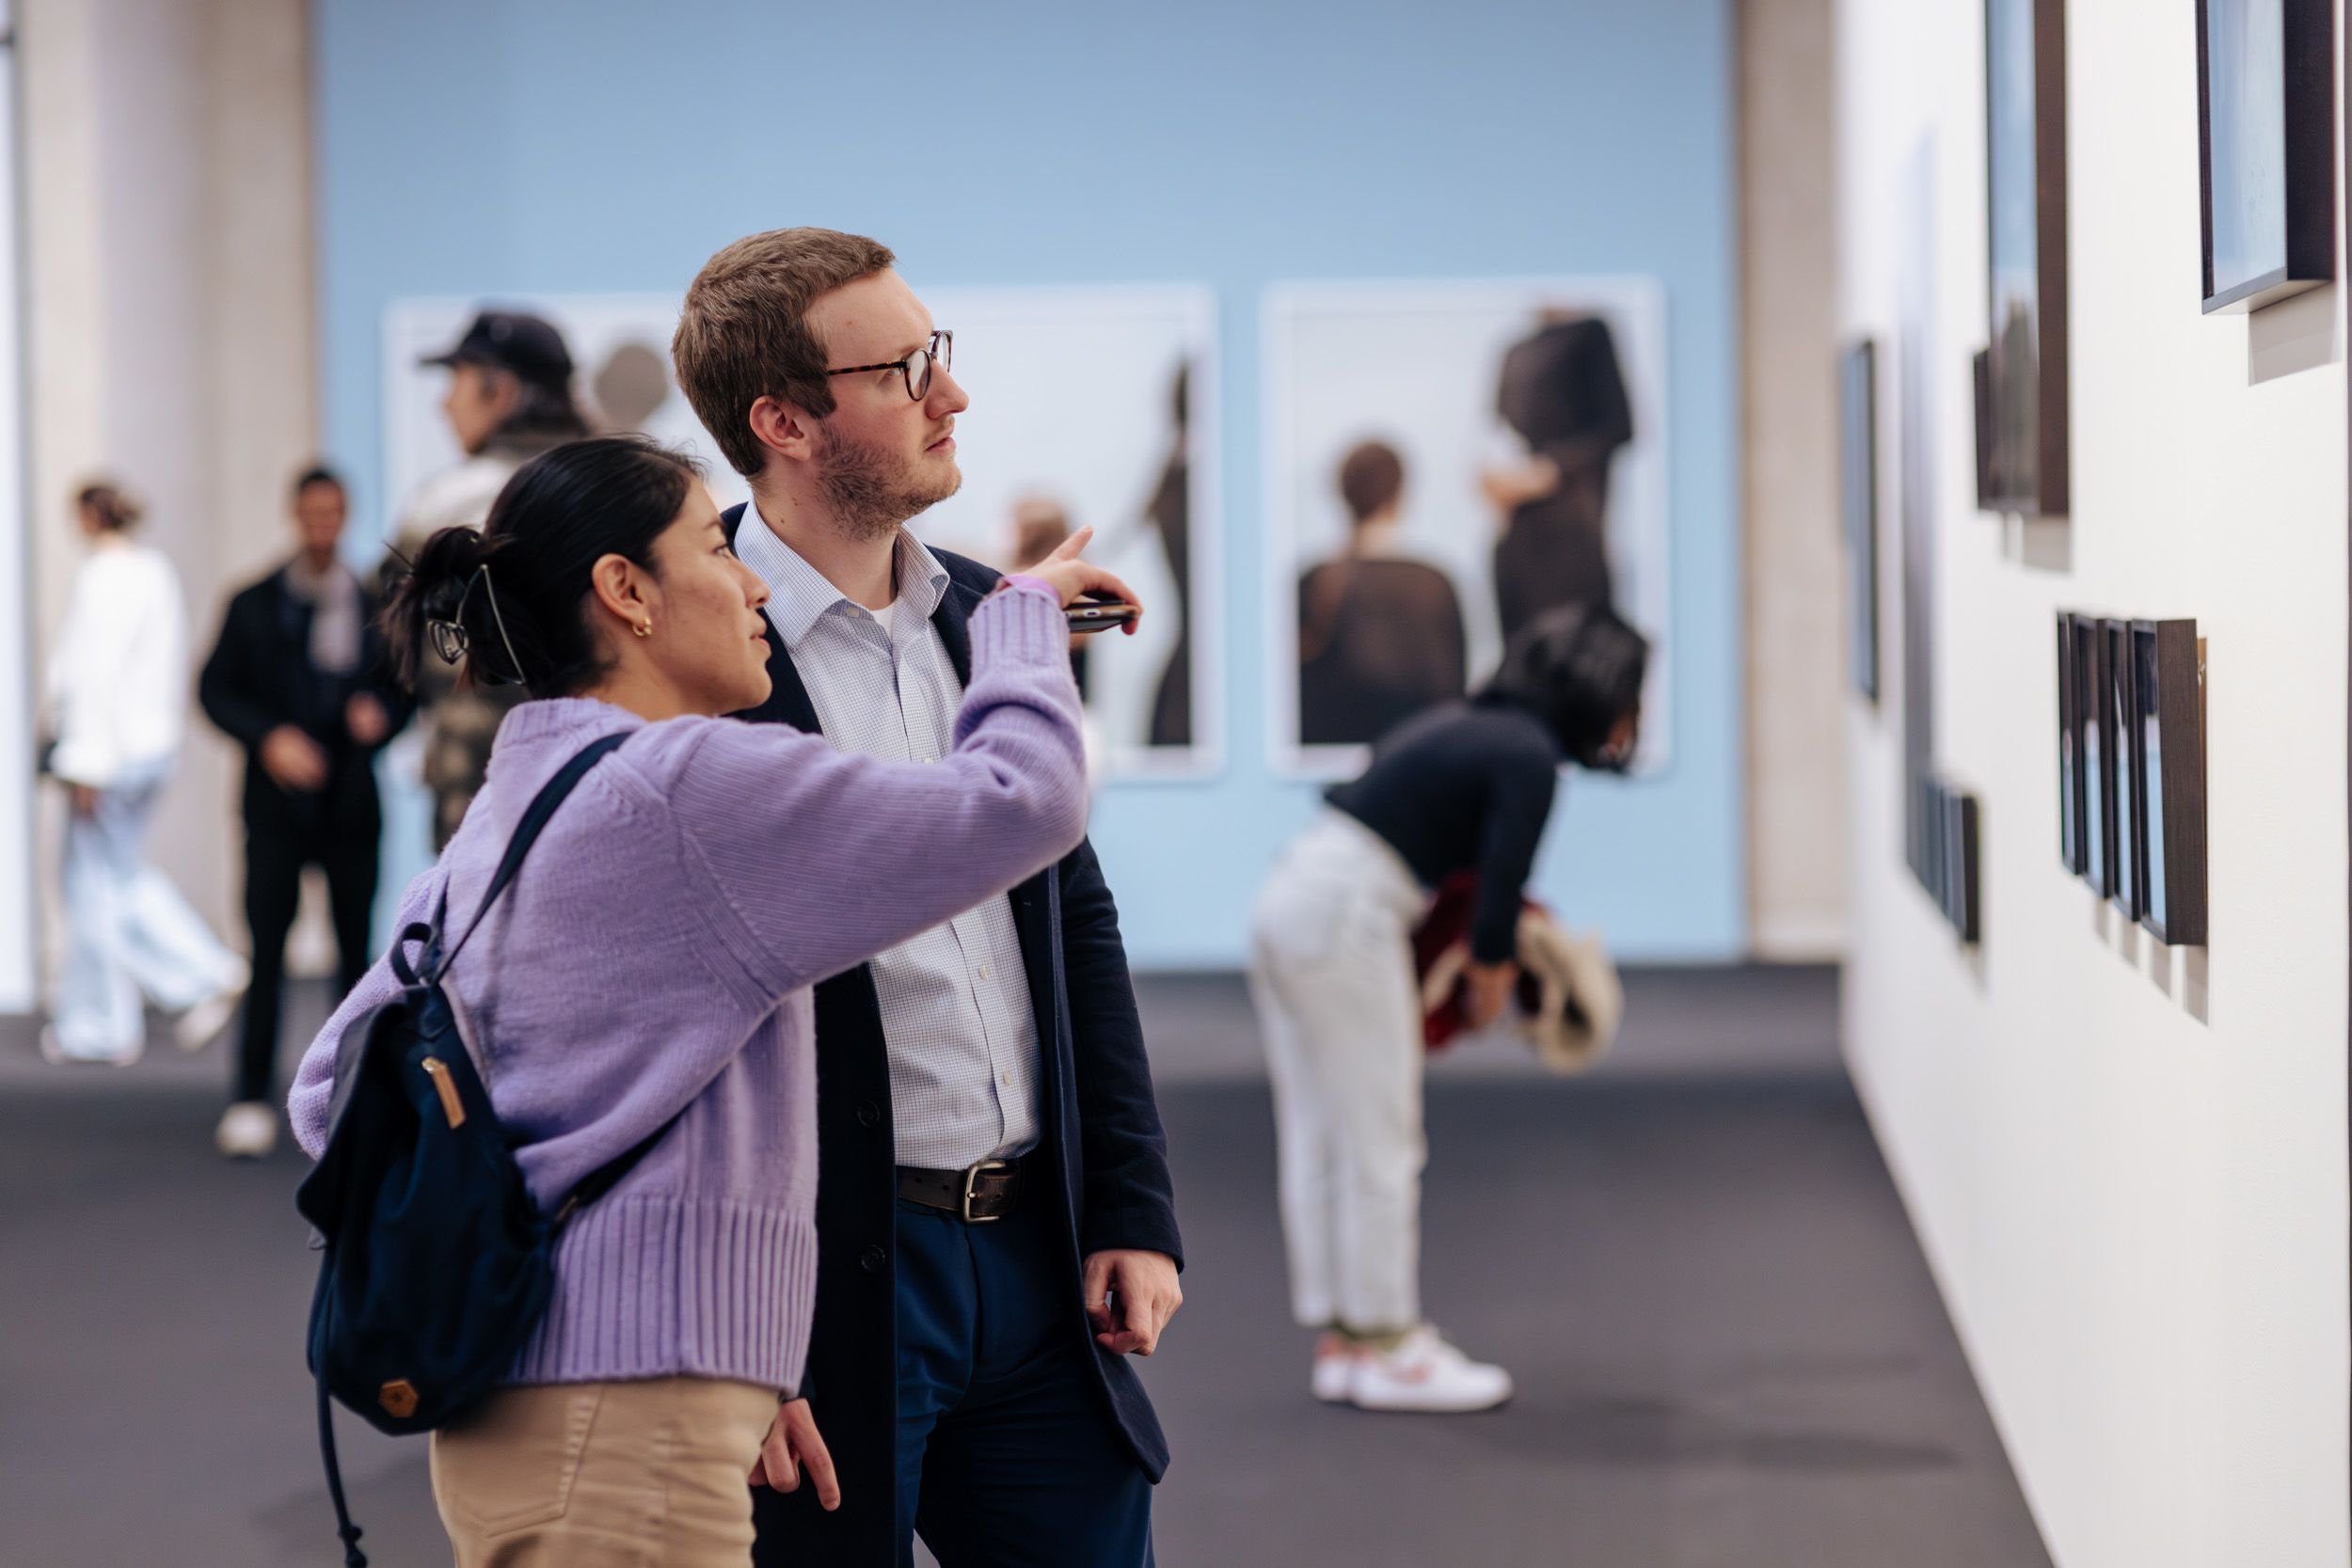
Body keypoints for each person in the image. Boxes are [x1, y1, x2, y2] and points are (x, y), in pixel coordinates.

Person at [289, 434, 1121, 1566]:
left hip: (534, 1413)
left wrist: (712, 1338)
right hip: (625, 1429)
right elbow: (1026, 802)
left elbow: (333, 1086)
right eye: (709, 549)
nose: (754, 581)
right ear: (625, 591)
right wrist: (1014, 614)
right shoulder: (682, 784)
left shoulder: (519, 799)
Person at [671, 227, 1183, 1568]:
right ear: (783, 419)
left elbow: (1074, 916)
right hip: (824, 1277)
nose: (949, 395)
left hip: (1035, 1256)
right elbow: (661, 1027)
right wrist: (723, 1333)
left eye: (936, 355)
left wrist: (1128, 1199)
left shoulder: (988, 619)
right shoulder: (690, 654)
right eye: (905, 369)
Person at [1248, 602, 1648, 1413]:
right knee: (1381, 1133)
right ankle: (1391, 1343)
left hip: (1294, 894)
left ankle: (1349, 1339)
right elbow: (1496, 904)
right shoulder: (1529, 756)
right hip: (1347, 913)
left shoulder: (1468, 722)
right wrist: (1499, 990)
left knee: (1325, 1126)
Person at [198, 467, 412, 1158]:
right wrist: (269, 738)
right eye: (312, 511)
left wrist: (382, 716)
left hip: (351, 801)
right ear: (296, 515)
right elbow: (213, 689)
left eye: (333, 512)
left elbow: (408, 689)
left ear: (344, 516)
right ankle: (251, 1094)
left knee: (356, 953)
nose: (322, 523)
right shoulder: (254, 602)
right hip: (276, 806)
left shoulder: (377, 602)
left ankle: (347, 1094)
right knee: (267, 950)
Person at [40, 482, 246, 1066]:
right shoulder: (154, 572)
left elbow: (93, 674)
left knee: (94, 885)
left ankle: (107, 1020)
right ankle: (197, 974)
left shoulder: (106, 578)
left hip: (109, 755)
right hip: (149, 750)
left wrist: (85, 761)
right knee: (118, 875)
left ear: (87, 515)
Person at [395, 309, 593, 847]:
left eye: (455, 381)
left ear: (499, 389)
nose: (444, 403)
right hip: (608, 776)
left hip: (482, 794)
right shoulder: (633, 487)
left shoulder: (447, 506)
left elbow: (393, 640)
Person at [1296, 439, 1468, 746]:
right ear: (1399, 494)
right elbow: (1454, 693)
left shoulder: (1313, 582)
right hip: (1418, 764)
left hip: (1331, 770)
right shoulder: (1435, 584)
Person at [1484, 313, 1635, 643]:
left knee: (1577, 658)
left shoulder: (1589, 333)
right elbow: (1497, 435)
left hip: (1571, 539)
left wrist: (1550, 470)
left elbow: (1618, 426)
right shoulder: (1516, 350)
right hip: (1515, 541)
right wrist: (1497, 482)